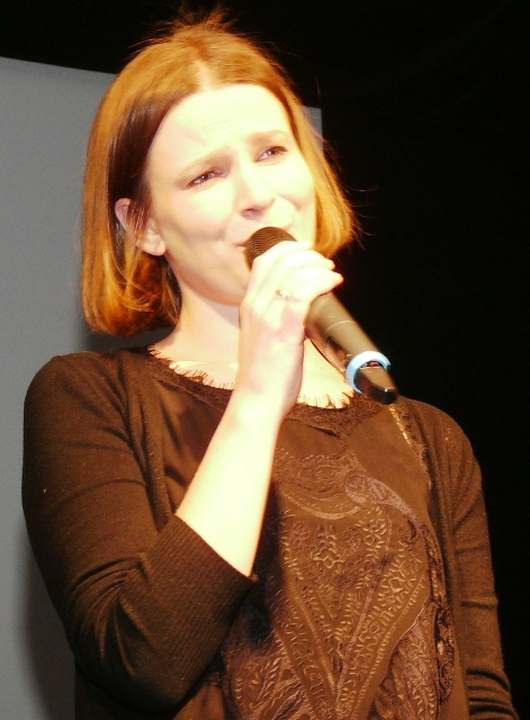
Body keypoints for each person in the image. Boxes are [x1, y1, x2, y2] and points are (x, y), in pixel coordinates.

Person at [22, 9, 518, 720]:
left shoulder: (429, 437)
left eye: (272, 152)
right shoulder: (89, 399)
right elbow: (143, 661)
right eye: (206, 175)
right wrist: (256, 400)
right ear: (145, 225)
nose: (258, 196)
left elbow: (481, 696)